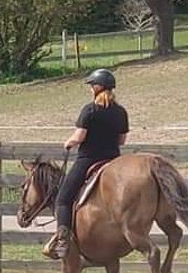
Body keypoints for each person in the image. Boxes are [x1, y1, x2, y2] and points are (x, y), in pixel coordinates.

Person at [43, 68, 129, 259]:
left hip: (89, 159)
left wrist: (69, 142)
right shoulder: (121, 112)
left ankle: (63, 241)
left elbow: (80, 136)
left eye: (92, 85)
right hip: (113, 160)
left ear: (98, 87)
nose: (90, 89)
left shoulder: (89, 110)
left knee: (63, 199)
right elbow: (122, 141)